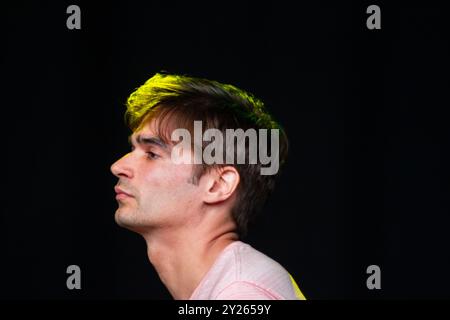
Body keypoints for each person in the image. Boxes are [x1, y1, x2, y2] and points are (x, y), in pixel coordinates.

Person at [110, 72, 306, 300]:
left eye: (152, 154)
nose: (118, 166)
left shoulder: (243, 295)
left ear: (218, 185)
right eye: (133, 150)